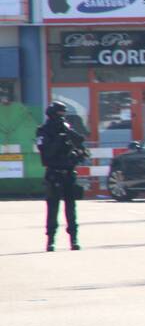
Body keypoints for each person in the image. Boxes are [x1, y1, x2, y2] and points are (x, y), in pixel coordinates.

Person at [35, 101, 89, 251]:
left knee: (71, 208)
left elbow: (81, 148)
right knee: (53, 208)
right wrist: (59, 139)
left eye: (63, 114)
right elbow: (46, 152)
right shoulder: (43, 131)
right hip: (54, 173)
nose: (62, 117)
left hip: (69, 173)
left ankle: (74, 239)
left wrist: (78, 152)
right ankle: (51, 240)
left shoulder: (68, 129)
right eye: (60, 114)